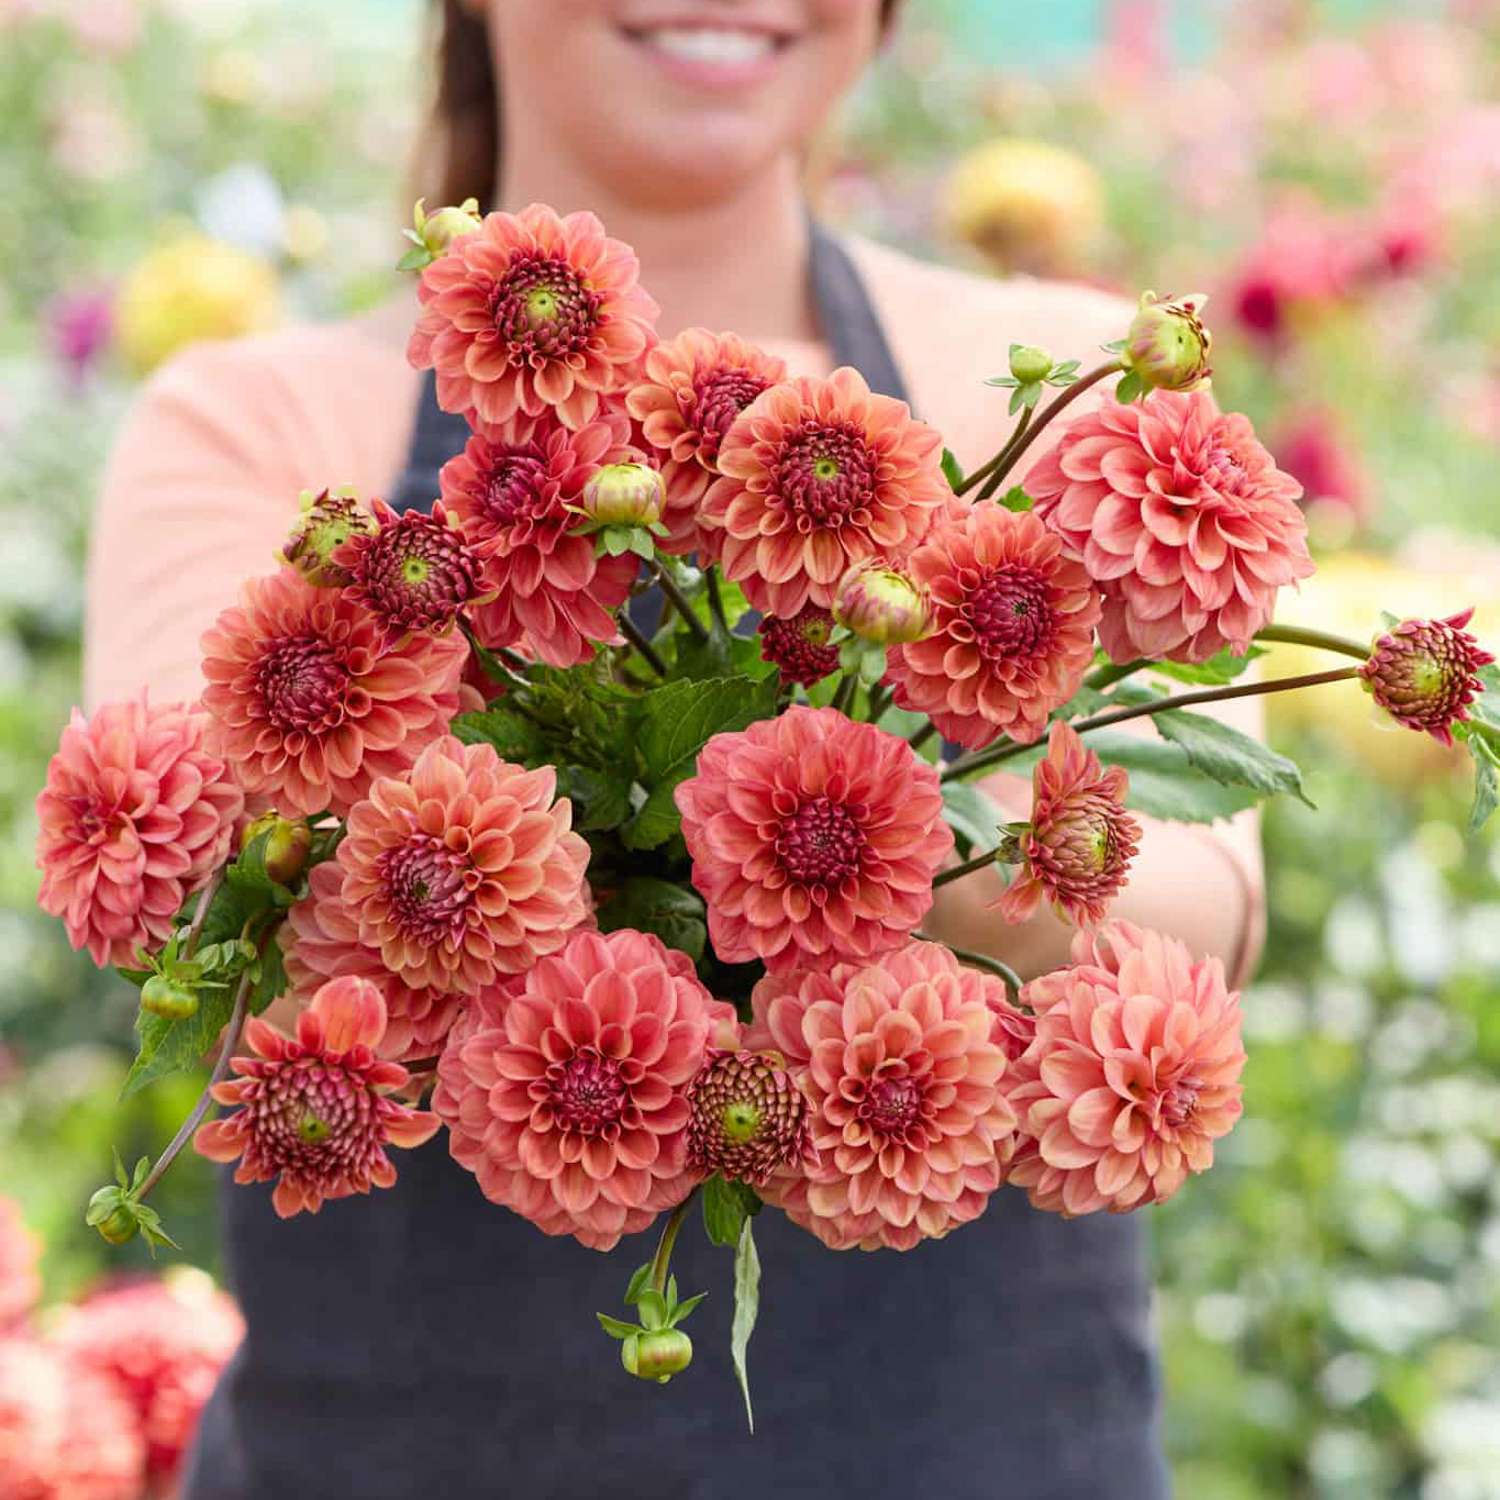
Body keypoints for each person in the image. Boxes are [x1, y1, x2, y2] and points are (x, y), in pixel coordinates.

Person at [85, 3, 1264, 1495]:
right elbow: (188, 872)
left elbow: (1194, 911)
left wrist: (820, 822)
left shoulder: (1075, 391)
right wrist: (921, 795)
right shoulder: (256, 419)